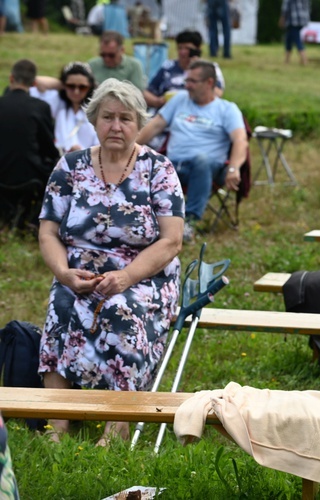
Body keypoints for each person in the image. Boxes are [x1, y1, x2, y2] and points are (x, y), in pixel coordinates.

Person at [38, 78, 184, 446]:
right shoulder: (70, 166)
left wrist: (125, 276)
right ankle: (57, 423)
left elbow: (172, 240)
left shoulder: (159, 169)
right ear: (94, 120)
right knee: (61, 303)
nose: (115, 126)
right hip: (79, 273)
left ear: (138, 123)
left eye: (125, 118)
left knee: (119, 310)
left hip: (143, 276)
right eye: (107, 117)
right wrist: (64, 274)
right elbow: (48, 232)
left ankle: (116, 426)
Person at [136, 60, 247, 242]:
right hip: (173, 167)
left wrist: (234, 168)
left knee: (201, 160)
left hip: (210, 169)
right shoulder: (180, 100)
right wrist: (130, 147)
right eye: (187, 80)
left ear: (209, 83)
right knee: (145, 163)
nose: (186, 86)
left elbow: (240, 140)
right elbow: (155, 125)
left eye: (192, 81)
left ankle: (190, 222)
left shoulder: (227, 109)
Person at [0, 59, 58, 228]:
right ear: (33, 83)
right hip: (29, 175)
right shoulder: (40, 107)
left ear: (11, 78)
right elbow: (48, 148)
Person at [143, 30, 226, 110]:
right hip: (167, 110)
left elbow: (218, 93)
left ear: (197, 49)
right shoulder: (168, 66)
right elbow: (148, 93)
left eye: (187, 48)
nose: (182, 52)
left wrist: (198, 69)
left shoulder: (211, 68)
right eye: (180, 48)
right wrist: (158, 102)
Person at [31, 61, 99, 154]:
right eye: (71, 86)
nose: (76, 92)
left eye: (82, 87)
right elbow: (34, 83)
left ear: (90, 87)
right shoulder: (58, 102)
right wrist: (60, 84)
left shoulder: (96, 108)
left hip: (88, 163)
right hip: (60, 162)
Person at [280, 0, 310, 66]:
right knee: (288, 38)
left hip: (293, 20)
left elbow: (285, 7)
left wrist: (282, 18)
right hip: (303, 20)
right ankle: (287, 60)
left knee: (297, 39)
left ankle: (304, 59)